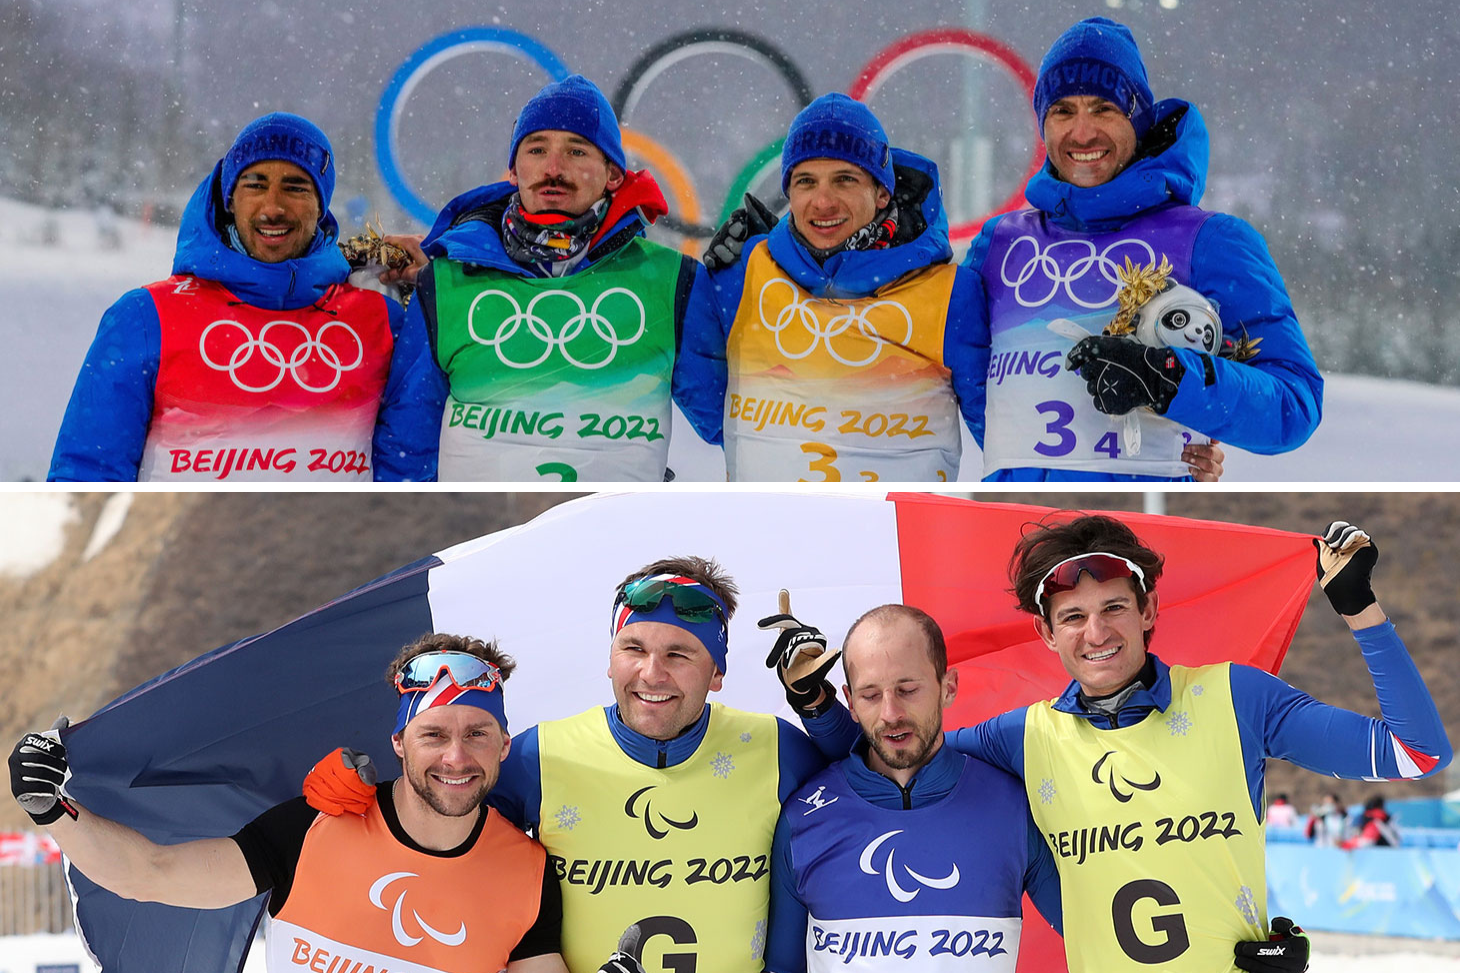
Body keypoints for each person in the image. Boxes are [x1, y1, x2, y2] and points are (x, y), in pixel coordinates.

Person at [303, 557, 858, 973]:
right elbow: (439, 818)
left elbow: (878, 784)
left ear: (717, 672)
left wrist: (820, 707)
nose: (652, 673)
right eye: (633, 649)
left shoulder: (775, 749)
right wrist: (359, 799)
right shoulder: (540, 755)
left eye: (680, 654)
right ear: (610, 659)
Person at [676, 93, 1222, 483]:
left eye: (846, 179)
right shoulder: (742, 268)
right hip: (773, 524)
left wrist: (1165, 449)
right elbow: (704, 401)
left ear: (883, 193)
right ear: (788, 193)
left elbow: (1009, 424)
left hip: (890, 535)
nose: (823, 202)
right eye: (805, 182)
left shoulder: (949, 291)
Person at [8, 634, 568, 972]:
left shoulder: (527, 870)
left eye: (477, 733)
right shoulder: (318, 825)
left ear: (503, 743)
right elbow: (151, 874)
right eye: (433, 735)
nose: (455, 756)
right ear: (398, 743)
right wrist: (51, 809)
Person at [961, 17, 1323, 480]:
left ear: (1138, 118)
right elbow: (973, 394)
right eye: (1063, 111)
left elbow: (1294, 405)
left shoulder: (1212, 241)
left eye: (1104, 108)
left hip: (1152, 526)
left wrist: (1171, 380)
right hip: (1025, 527)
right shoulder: (998, 246)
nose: (1083, 132)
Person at [48, 112, 438, 482]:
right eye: (255, 184)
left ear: (321, 206)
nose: (273, 207)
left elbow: (409, 467)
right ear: (230, 199)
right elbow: (87, 472)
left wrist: (431, 293)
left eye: (296, 186)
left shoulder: (380, 320)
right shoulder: (147, 317)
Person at [404, 75, 696, 482]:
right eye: (537, 149)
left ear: (613, 174)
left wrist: (745, 280)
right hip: (494, 526)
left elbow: (728, 416)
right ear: (513, 169)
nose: (553, 169)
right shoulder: (443, 281)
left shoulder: (673, 280)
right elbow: (406, 441)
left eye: (576, 151)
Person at [765, 604, 1060, 973]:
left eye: (907, 689)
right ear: (850, 702)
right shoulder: (803, 816)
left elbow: (1094, 934)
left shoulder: (1014, 806)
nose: (891, 712)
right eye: (870, 695)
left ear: (948, 687)